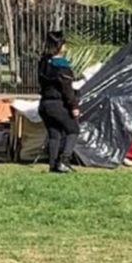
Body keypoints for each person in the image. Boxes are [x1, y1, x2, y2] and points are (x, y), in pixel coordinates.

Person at [38, 31, 80, 173]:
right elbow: (67, 90)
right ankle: (65, 159)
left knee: (54, 134)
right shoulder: (62, 67)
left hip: (44, 104)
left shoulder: (43, 64)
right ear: (59, 46)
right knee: (73, 129)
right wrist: (73, 106)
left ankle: (53, 164)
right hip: (58, 104)